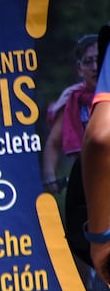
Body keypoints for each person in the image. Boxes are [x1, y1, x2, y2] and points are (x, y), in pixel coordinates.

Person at [43, 34, 100, 196]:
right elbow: (53, 143)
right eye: (88, 62)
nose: (95, 67)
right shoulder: (73, 100)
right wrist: (50, 178)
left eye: (99, 59)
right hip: (88, 183)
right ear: (79, 68)